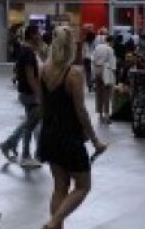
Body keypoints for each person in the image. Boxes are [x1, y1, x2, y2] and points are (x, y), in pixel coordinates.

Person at [37, 26, 107, 229]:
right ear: (70, 47)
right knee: (83, 186)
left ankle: (55, 226)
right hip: (69, 138)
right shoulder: (74, 73)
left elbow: (43, 107)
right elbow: (81, 111)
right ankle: (53, 223)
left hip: (49, 134)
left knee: (60, 187)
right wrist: (95, 141)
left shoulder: (43, 70)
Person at [0, 24, 43, 169]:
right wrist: (39, 95)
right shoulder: (28, 53)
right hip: (30, 95)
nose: (40, 36)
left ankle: (11, 145)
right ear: (32, 36)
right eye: (38, 33)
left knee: (29, 123)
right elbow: (31, 78)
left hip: (25, 93)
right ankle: (24, 154)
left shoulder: (25, 51)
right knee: (30, 124)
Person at [91, 31, 115, 124]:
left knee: (99, 94)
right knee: (106, 95)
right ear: (111, 41)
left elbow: (93, 59)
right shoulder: (110, 49)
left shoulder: (98, 47)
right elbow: (113, 64)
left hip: (97, 71)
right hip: (106, 72)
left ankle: (100, 114)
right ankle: (107, 116)